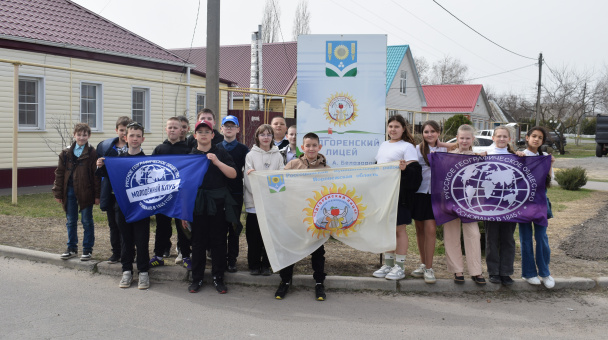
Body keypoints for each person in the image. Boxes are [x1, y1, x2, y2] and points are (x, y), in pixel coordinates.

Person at [275, 132, 331, 301]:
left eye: (314, 145)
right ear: (302, 147)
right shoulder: (292, 165)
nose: (311, 148)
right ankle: (285, 281)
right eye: (308, 145)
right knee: (290, 248)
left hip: (317, 219)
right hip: (294, 216)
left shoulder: (326, 170)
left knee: (318, 251)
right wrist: (258, 177)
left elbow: (331, 192)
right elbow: (277, 185)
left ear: (319, 147)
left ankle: (319, 283)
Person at [97, 122, 151, 289]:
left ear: (142, 138)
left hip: (142, 208)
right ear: (125, 137)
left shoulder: (148, 160)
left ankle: (143, 272)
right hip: (122, 207)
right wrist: (100, 166)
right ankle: (126, 271)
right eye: (131, 135)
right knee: (125, 240)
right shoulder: (117, 161)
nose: (134, 139)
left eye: (138, 136)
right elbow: (104, 175)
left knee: (142, 241)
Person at [186, 120, 238, 294]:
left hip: (218, 204)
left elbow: (233, 174)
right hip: (198, 204)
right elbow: (184, 185)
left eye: (206, 131)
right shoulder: (190, 155)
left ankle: (218, 277)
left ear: (213, 135)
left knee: (218, 242)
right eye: (199, 131)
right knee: (198, 242)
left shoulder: (220, 153)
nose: (203, 134)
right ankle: (197, 278)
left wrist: (216, 162)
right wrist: (184, 212)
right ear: (195, 136)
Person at [372, 115, 422, 281]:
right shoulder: (384, 145)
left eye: (396, 127)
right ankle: (388, 264)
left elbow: (415, 174)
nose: (393, 129)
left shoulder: (408, 147)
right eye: (390, 126)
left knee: (399, 229)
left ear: (403, 129)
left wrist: (404, 170)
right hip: (384, 193)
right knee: (387, 229)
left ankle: (399, 267)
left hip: (400, 195)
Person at [443, 124, 487, 285]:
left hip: (470, 203)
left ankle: (476, 272)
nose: (464, 140)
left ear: (472, 139)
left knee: (474, 235)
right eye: (461, 138)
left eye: (467, 138)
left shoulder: (479, 156)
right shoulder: (449, 156)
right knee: (451, 235)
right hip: (451, 201)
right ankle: (457, 270)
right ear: (457, 138)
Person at [52, 123, 101, 261]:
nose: (81, 137)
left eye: (84, 135)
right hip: (69, 191)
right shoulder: (66, 153)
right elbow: (60, 173)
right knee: (71, 220)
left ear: (89, 136)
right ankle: (71, 247)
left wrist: (97, 195)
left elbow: (96, 176)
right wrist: (58, 192)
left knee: (87, 221)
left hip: (86, 191)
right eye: (79, 134)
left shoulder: (92, 153)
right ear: (74, 135)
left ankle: (87, 249)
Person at [149, 117, 191, 268]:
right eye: (170, 127)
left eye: (175, 127)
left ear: (182, 130)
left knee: (182, 226)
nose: (172, 130)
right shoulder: (160, 149)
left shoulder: (187, 150)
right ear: (165, 130)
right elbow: (151, 170)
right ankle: (158, 255)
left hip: (181, 196)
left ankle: (185, 255)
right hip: (164, 195)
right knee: (162, 226)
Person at [243, 124, 284, 276]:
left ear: (273, 137)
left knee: (269, 237)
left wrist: (269, 196)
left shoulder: (278, 156)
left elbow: (280, 179)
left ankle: (267, 264)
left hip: (271, 204)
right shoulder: (250, 155)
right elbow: (248, 179)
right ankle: (254, 265)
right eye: (262, 134)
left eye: (269, 134)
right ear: (257, 137)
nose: (266, 137)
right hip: (254, 203)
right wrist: (260, 194)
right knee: (254, 237)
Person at [519, 126, 556, 289]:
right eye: (533, 136)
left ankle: (545, 273)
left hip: (540, 203)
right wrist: (518, 157)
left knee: (541, 238)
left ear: (542, 141)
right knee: (525, 239)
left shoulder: (545, 157)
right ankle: (529, 273)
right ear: (527, 137)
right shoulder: (520, 155)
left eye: (540, 138)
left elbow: (549, 180)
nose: (536, 139)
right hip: (523, 204)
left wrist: (550, 164)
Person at [411, 120, 446, 284]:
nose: (429, 134)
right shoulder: (417, 149)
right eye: (426, 132)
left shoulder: (445, 148)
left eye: (433, 131)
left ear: (438, 132)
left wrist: (442, 143)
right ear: (422, 134)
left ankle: (430, 268)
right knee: (419, 229)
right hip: (419, 193)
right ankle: (423, 264)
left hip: (436, 194)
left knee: (430, 229)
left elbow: (460, 149)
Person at [485, 125, 519, 286]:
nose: (501, 139)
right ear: (493, 138)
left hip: (509, 205)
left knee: (508, 239)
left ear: (510, 139)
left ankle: (506, 272)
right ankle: (493, 272)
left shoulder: (515, 156)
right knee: (491, 238)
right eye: (499, 136)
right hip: (490, 205)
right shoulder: (485, 155)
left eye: (505, 136)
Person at [95, 116, 131, 264]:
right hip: (110, 192)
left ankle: (127, 252)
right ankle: (115, 252)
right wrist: (98, 165)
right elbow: (99, 171)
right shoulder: (107, 147)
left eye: (126, 130)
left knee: (125, 225)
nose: (124, 133)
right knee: (113, 224)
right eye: (121, 130)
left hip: (125, 194)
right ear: (117, 130)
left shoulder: (134, 149)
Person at [216, 115, 249, 273]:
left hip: (235, 193)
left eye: (232, 126)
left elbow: (248, 171)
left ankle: (232, 259)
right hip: (219, 193)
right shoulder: (215, 147)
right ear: (221, 128)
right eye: (226, 126)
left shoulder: (243, 150)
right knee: (220, 227)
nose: (229, 129)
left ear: (238, 129)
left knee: (234, 227)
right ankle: (220, 258)